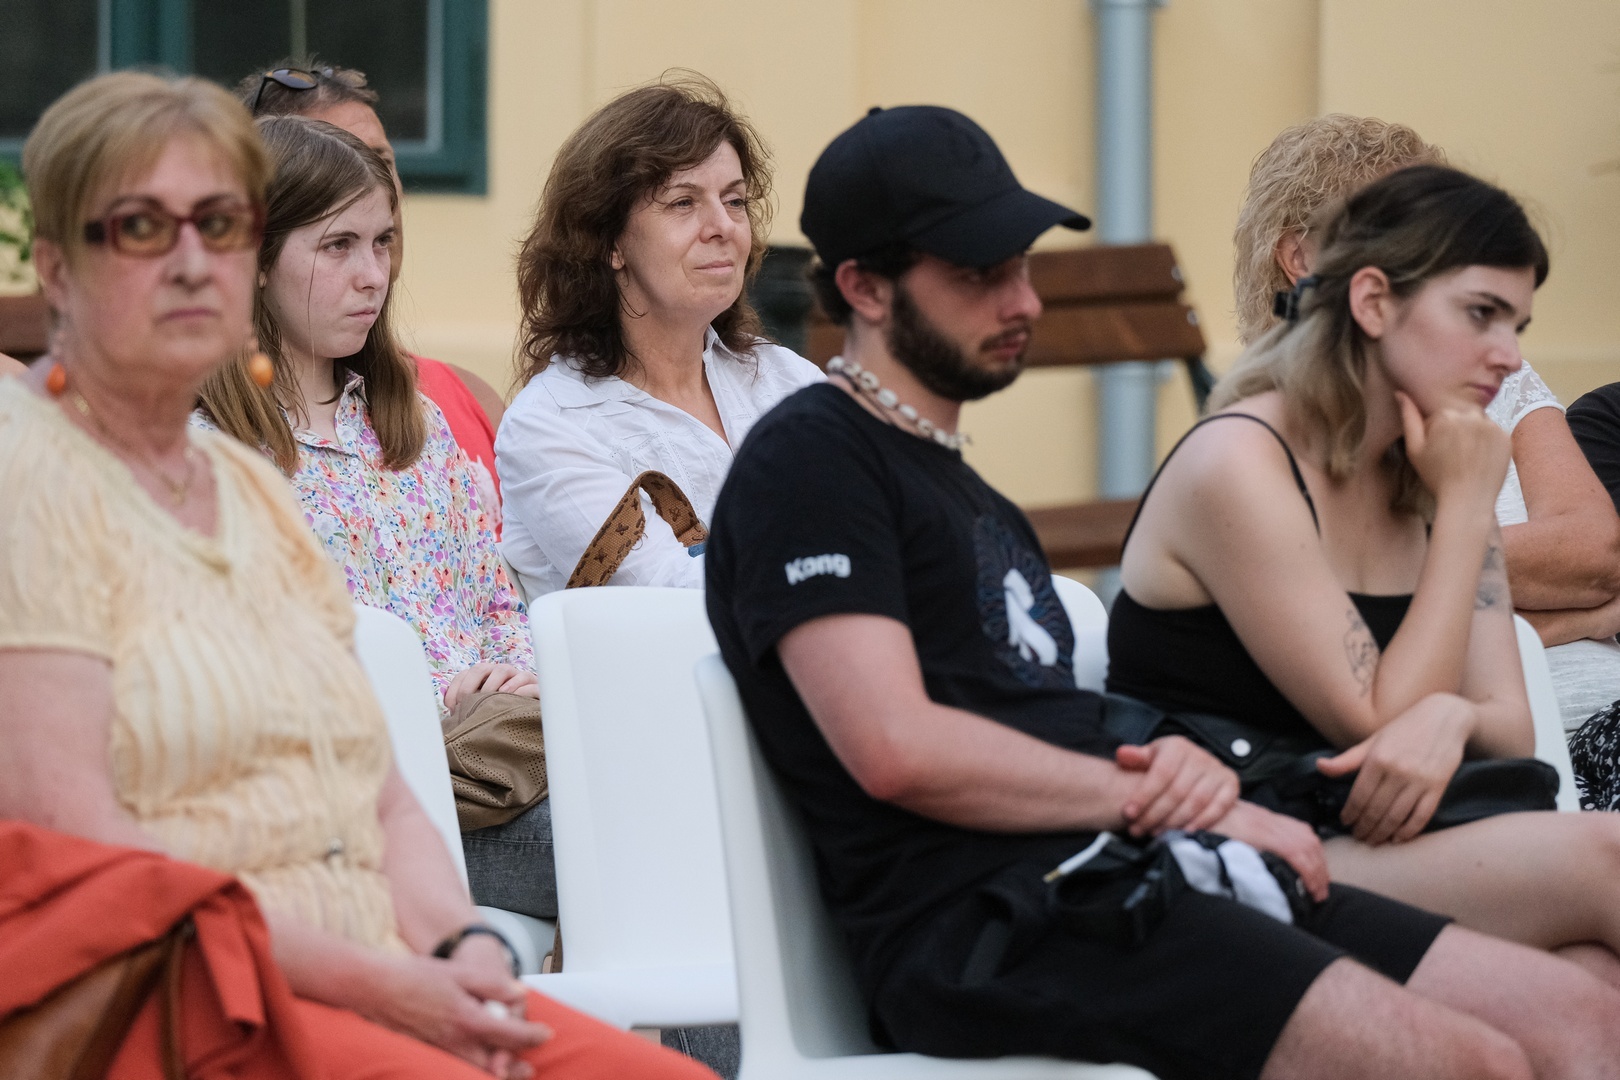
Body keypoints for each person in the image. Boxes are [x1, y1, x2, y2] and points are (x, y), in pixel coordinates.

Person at [706, 105, 1620, 1080]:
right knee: (1473, 1059)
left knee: (1581, 1019)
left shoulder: (973, 499)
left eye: (1022, 267)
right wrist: (1161, 797)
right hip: (1000, 921)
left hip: (1121, 869)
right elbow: (895, 748)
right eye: (980, 275)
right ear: (864, 288)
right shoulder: (813, 457)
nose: (1022, 300)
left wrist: (1172, 796)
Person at [0, 70, 711, 1080]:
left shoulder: (242, 491)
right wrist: (386, 982)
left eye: (221, 226)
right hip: (192, 997)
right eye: (146, 230)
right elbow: (92, 855)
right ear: (59, 270)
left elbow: (379, 791)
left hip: (369, 952)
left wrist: (463, 950)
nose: (196, 264)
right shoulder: (33, 477)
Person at [194, 114, 553, 926]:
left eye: (382, 243)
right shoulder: (210, 461)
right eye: (338, 246)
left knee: (686, 813)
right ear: (254, 262)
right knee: (650, 844)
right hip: (369, 811)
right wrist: (439, 698)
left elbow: (499, 606)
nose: (373, 276)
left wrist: (506, 675)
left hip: (504, 769)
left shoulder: (416, 426)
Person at [1236, 114, 1620, 734]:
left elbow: (1597, 553)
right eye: (1417, 240)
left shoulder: (1495, 380)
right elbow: (1368, 635)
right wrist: (1583, 617)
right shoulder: (1263, 438)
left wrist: (1438, 581)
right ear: (1302, 259)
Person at [497, 74, 823, 600]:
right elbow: (668, 597)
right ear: (610, 243)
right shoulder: (552, 424)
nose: (723, 226)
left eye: (735, 200)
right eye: (683, 203)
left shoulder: (789, 381)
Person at [240, 59, 507, 526]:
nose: (365, 183)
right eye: (330, 160)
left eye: (380, 162)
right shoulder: (198, 439)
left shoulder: (460, 402)